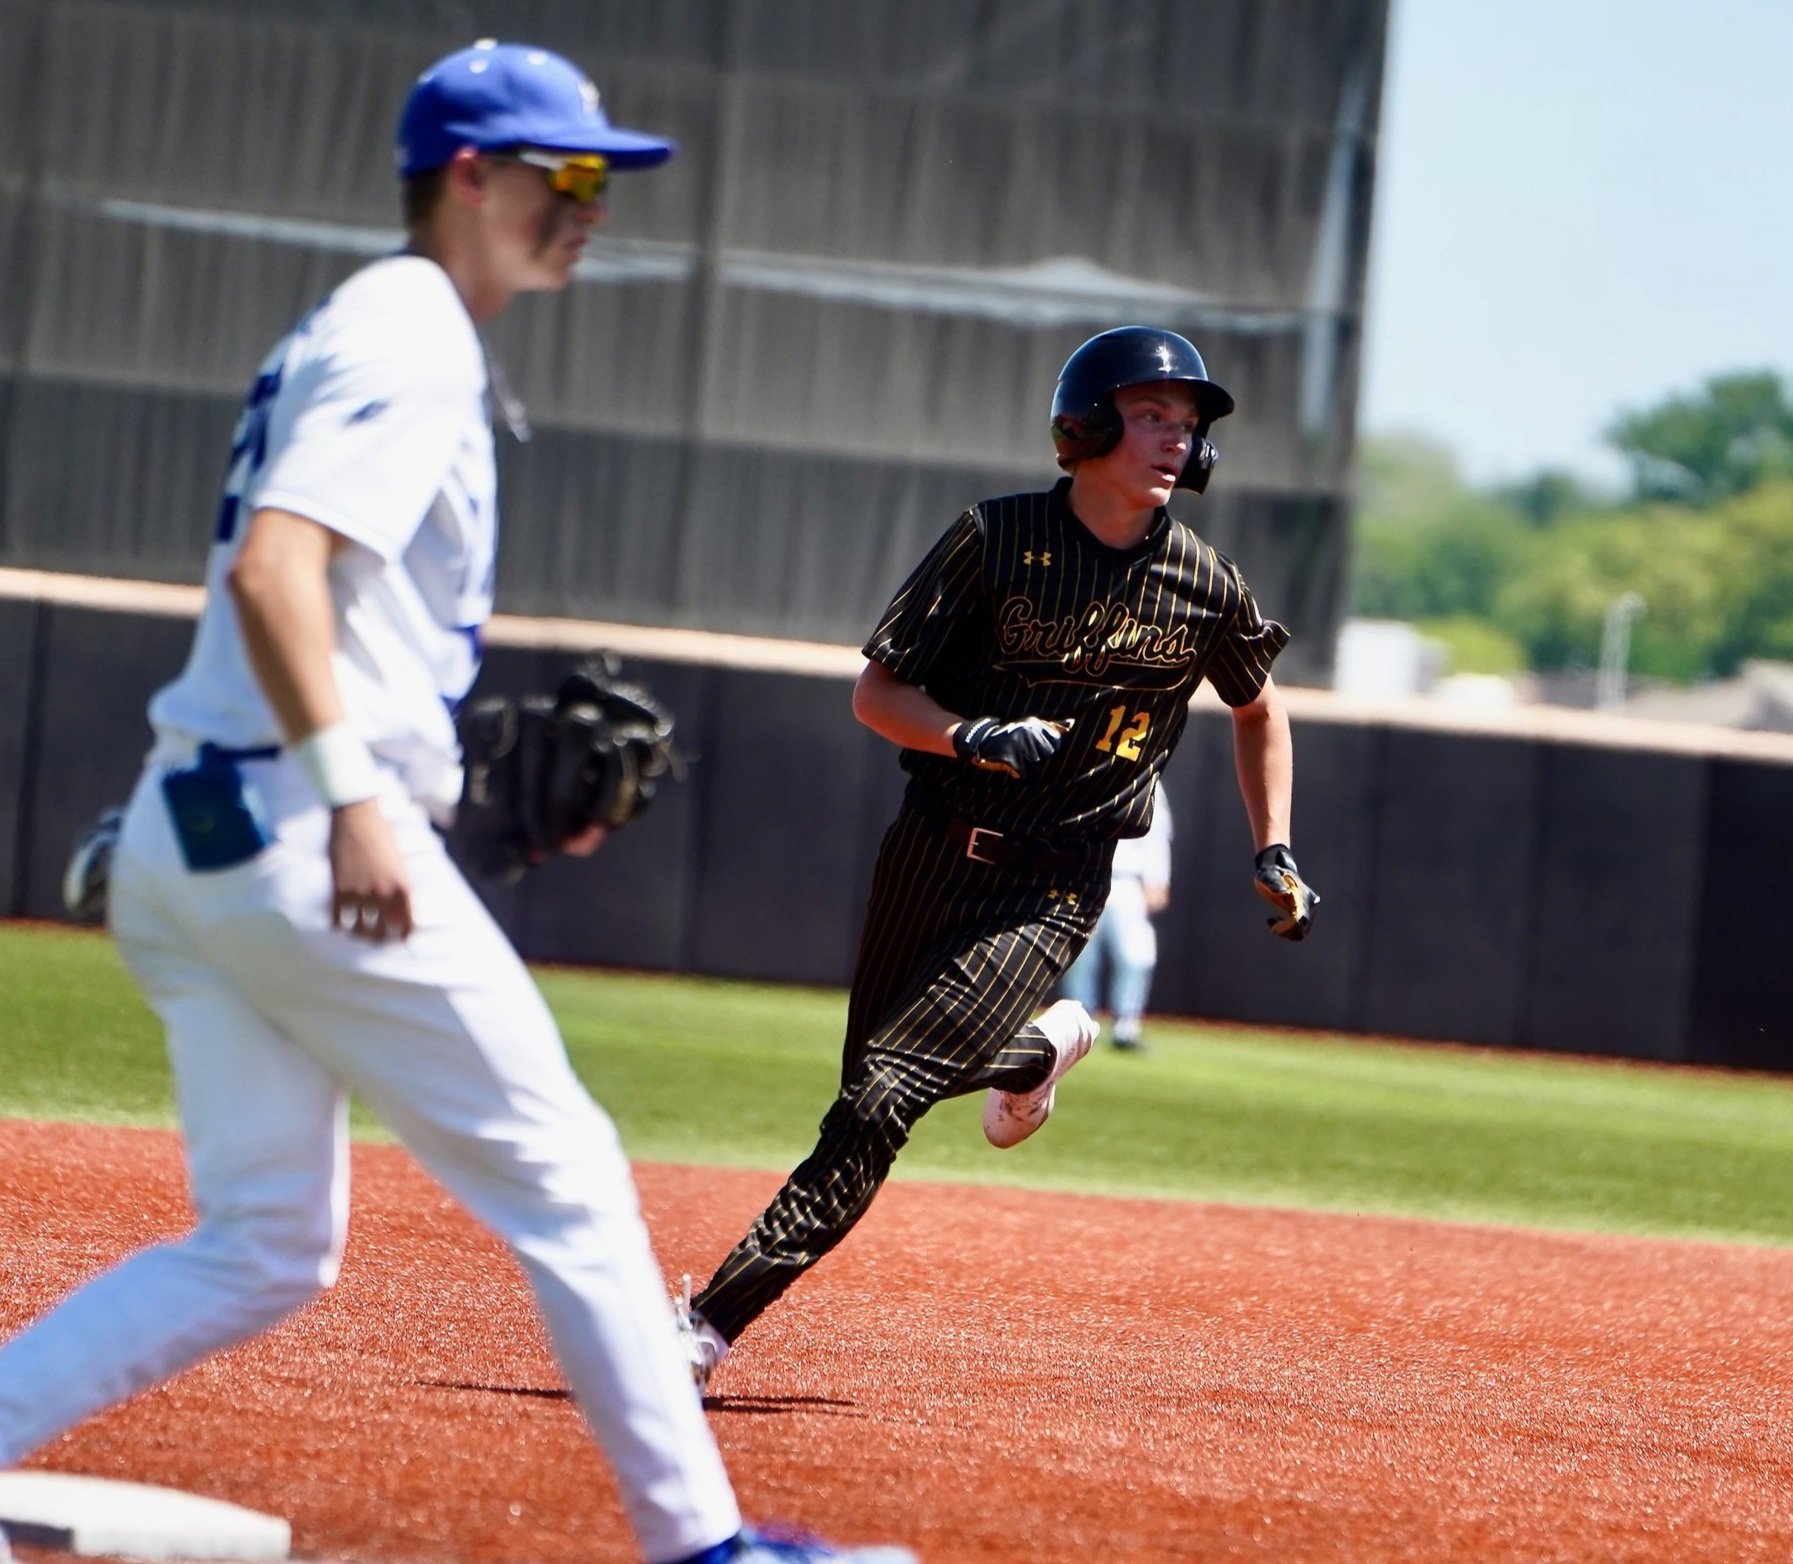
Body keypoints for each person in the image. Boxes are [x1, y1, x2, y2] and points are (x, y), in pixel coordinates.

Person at [0, 42, 906, 1564]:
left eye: (599, 180)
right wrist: (361, 800)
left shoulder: (381, 325)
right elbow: (273, 567)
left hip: (203, 827)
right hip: (299, 828)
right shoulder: (411, 328)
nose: (590, 205)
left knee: (265, 1244)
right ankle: (702, 1548)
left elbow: (317, 603)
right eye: (565, 176)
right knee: (566, 1174)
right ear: (469, 177)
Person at [682, 326, 1322, 1388]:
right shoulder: (993, 539)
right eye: (1152, 414)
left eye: (1188, 423)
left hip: (1054, 875)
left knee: (878, 1100)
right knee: (868, 1096)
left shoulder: (1205, 583)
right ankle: (1038, 1052)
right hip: (930, 851)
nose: (1175, 439)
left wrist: (1276, 846)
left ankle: (702, 1326)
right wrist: (968, 733)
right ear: (1090, 421)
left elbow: (1258, 710)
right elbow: (877, 694)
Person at [1057, 779, 1173, 1051]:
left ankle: (1127, 1027)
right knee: (1080, 957)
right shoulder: (1088, 771)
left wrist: (1158, 879)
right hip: (1082, 878)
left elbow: (1159, 833)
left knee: (1137, 956)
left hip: (1127, 881)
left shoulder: (1149, 779)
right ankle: (1080, 1027)